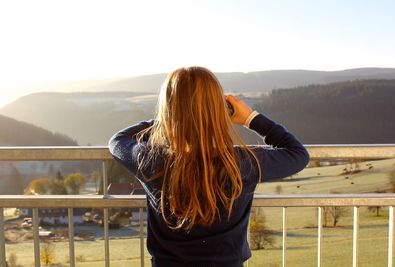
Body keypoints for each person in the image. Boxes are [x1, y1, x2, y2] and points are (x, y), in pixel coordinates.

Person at [108, 66, 309, 267]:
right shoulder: (240, 163)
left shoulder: (151, 160)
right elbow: (297, 154)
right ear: (218, 110)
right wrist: (250, 118)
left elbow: (118, 141)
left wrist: (169, 118)